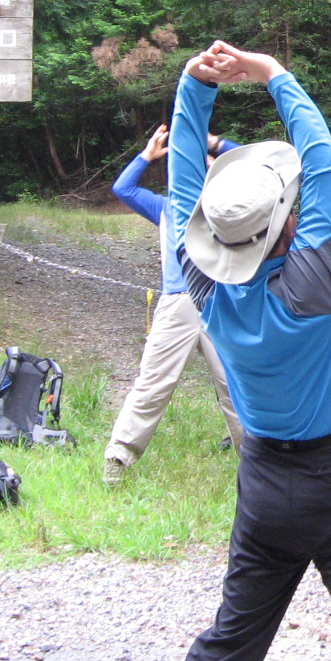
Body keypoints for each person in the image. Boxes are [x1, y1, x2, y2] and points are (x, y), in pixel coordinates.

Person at [160, 42, 331, 661]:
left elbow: (182, 186)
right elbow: (325, 162)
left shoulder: (203, 283)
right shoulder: (311, 282)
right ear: (284, 225)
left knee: (232, 639)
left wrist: (194, 89)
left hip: (268, 482)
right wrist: (271, 73)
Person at [103, 122, 244, 485]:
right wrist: (146, 155)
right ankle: (118, 457)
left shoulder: (232, 204)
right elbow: (122, 189)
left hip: (222, 303)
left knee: (237, 386)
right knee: (153, 382)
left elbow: (258, 166)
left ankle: (259, 461)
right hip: (179, 303)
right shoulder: (167, 207)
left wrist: (217, 144)